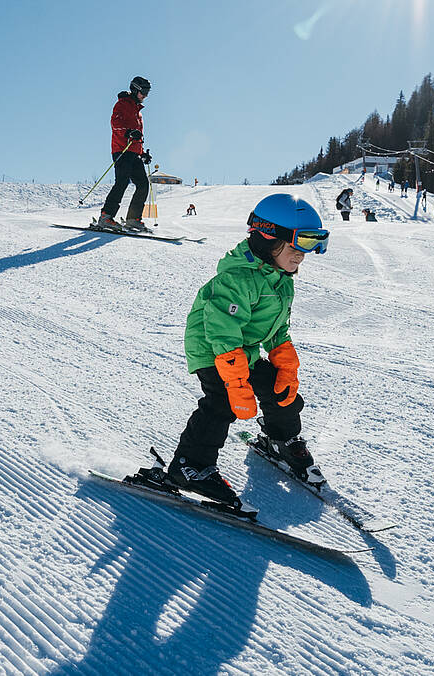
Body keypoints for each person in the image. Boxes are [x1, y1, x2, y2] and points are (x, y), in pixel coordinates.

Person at [134, 193, 328, 511]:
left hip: (243, 352)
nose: (302, 256)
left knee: (281, 391)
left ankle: (282, 440)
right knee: (223, 401)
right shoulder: (236, 279)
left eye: (310, 246)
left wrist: (285, 361)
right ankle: (190, 467)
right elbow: (223, 333)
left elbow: (277, 329)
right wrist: (237, 382)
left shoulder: (281, 280)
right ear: (268, 240)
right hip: (213, 350)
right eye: (297, 246)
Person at [94, 76, 153, 233]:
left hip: (134, 152)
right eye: (144, 92)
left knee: (143, 184)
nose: (146, 96)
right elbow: (116, 124)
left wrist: (142, 154)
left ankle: (133, 219)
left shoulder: (137, 112)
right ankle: (106, 217)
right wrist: (128, 132)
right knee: (122, 182)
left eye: (148, 92)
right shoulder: (122, 105)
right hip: (122, 149)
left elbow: (137, 135)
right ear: (135, 90)